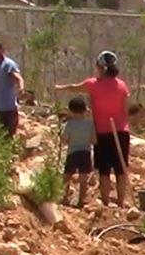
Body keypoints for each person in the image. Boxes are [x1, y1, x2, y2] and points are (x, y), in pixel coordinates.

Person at [55, 51, 131, 207]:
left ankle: (105, 202)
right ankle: (121, 203)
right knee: (120, 168)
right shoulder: (122, 86)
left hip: (102, 132)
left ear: (101, 67)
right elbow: (125, 109)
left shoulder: (93, 84)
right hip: (121, 131)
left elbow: (75, 88)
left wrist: (60, 88)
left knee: (104, 169)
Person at [0, 37, 24, 137]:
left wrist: (21, 88)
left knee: (7, 139)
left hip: (9, 111)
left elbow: (18, 78)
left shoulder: (8, 65)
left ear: (2, 49)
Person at [60, 96, 94, 208]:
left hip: (72, 152)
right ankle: (81, 201)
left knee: (67, 175)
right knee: (83, 178)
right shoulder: (90, 124)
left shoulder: (70, 124)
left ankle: (64, 197)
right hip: (85, 152)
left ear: (70, 110)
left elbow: (64, 140)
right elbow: (94, 140)